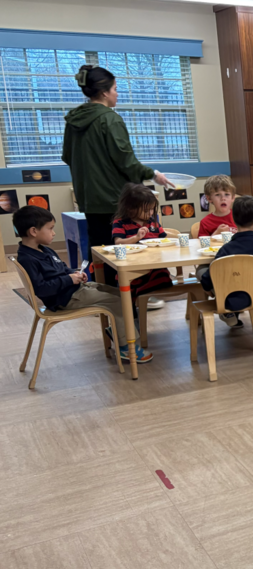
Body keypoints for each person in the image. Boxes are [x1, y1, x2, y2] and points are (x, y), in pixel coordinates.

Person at [62, 64, 171, 286]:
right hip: (115, 199)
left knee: (101, 253)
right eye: (115, 88)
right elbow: (126, 160)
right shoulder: (109, 119)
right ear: (104, 92)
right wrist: (153, 174)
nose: (117, 93)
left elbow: (67, 156)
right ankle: (135, 295)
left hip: (89, 200)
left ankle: (104, 296)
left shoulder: (73, 121)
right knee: (127, 251)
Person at [13, 204, 151, 363]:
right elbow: (42, 289)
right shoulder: (28, 258)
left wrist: (73, 273)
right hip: (66, 299)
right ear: (33, 231)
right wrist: (69, 279)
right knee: (119, 302)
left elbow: (62, 269)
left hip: (75, 290)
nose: (53, 232)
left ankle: (119, 331)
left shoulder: (43, 250)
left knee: (123, 294)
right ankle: (127, 348)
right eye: (50, 228)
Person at [198, 196, 253, 321]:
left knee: (202, 270)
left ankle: (222, 303)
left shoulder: (227, 248)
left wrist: (207, 288)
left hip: (228, 299)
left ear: (234, 221)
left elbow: (209, 275)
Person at [111, 184, 174, 304]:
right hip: (132, 265)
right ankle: (141, 297)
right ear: (130, 208)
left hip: (153, 262)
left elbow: (164, 239)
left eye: (152, 209)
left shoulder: (152, 223)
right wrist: (136, 237)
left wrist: (176, 239)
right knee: (135, 278)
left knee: (162, 272)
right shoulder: (120, 222)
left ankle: (148, 295)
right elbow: (118, 243)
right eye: (146, 210)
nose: (150, 213)